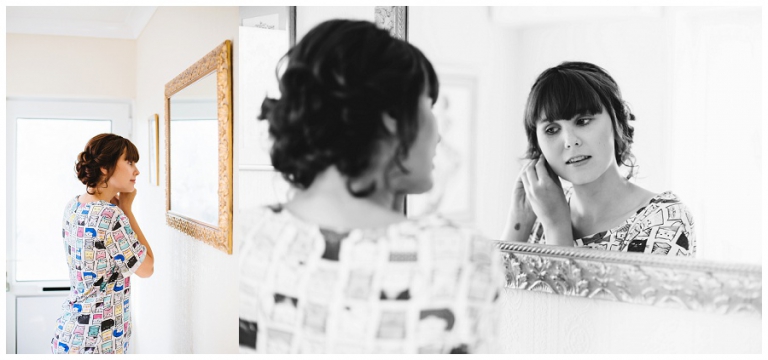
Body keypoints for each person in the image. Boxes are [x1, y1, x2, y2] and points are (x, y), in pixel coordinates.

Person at [239, 19, 501, 354]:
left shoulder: (247, 234)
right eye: (429, 106)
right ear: (392, 115)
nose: (438, 133)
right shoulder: (463, 256)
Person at [502, 61, 696, 257]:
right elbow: (490, 287)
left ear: (617, 122)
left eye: (583, 121)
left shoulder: (665, 221)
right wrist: (518, 221)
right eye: (552, 130)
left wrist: (556, 227)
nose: (569, 141)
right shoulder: (541, 211)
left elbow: (570, 288)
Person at [51, 133, 155, 354]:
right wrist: (127, 210)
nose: (136, 170)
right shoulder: (109, 215)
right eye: (129, 161)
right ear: (105, 168)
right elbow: (147, 268)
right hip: (97, 341)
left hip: (70, 334)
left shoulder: (73, 206)